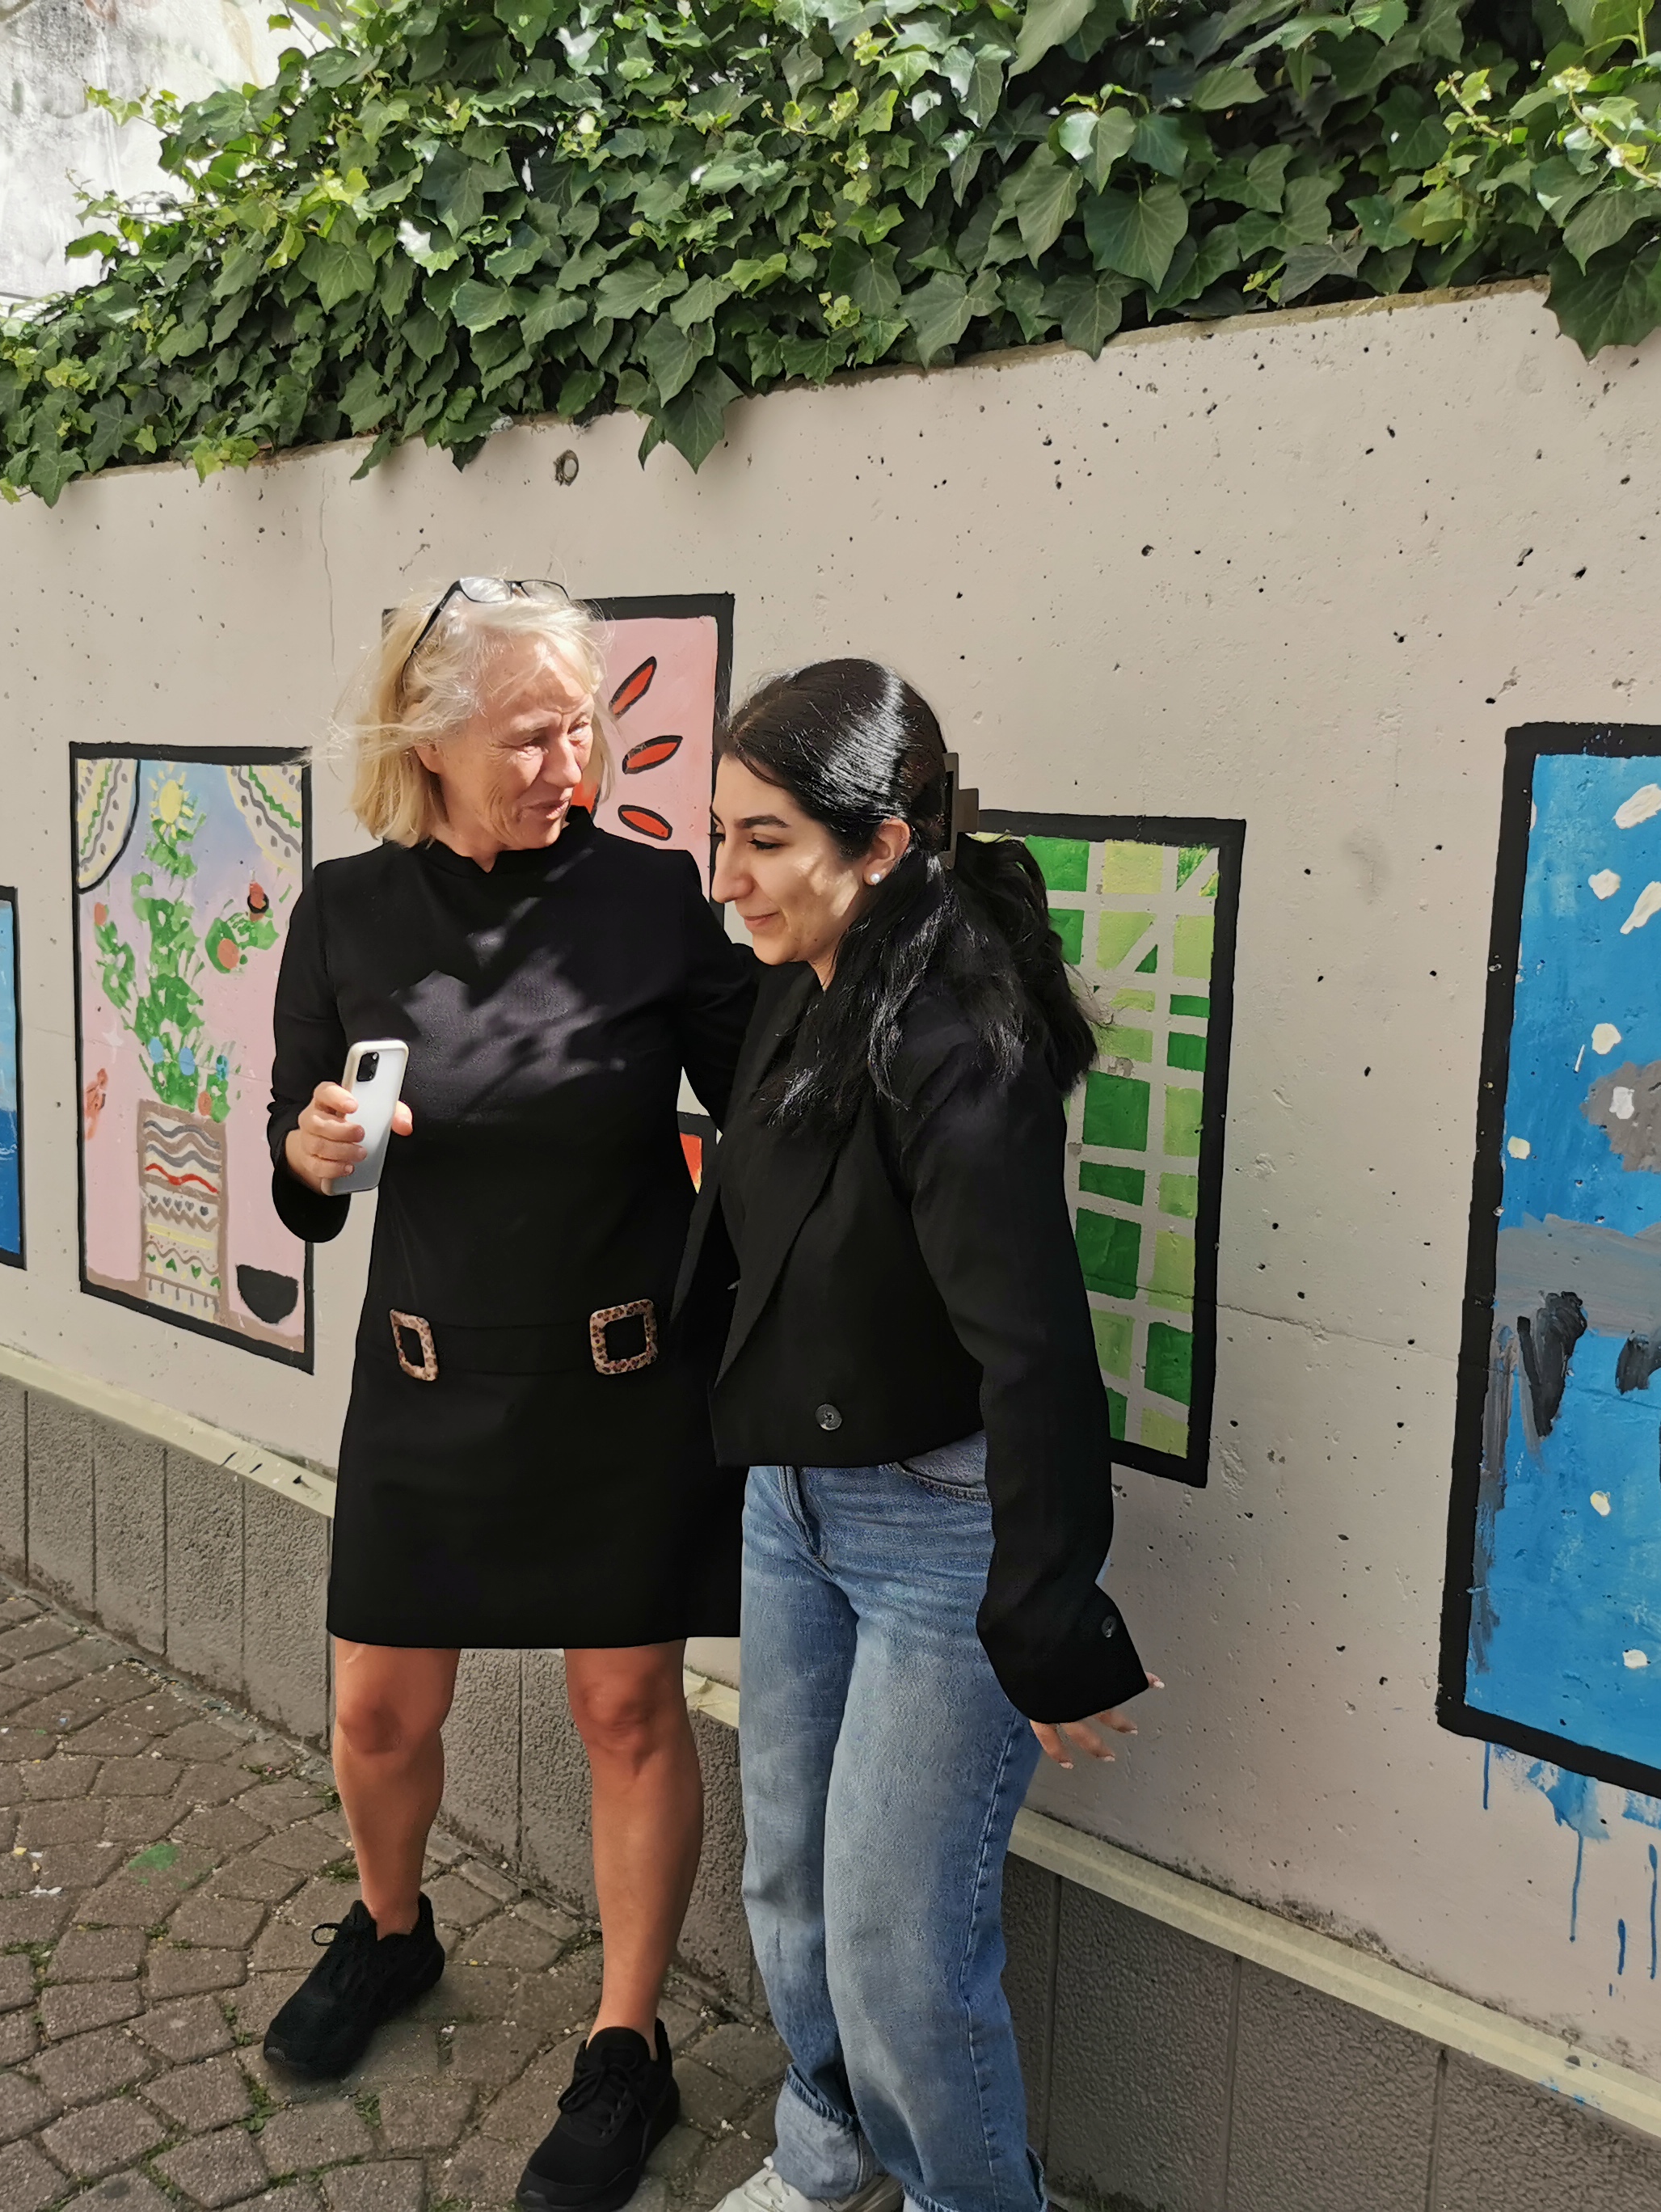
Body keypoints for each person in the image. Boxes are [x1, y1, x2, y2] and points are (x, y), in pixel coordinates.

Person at [262, 578, 756, 2212]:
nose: (571, 764)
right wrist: (310, 1156)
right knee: (376, 1716)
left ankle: (626, 2044)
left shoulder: (648, 897)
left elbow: (770, 1089)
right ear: (431, 742)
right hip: (425, 1382)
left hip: (617, 1389)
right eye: (531, 736)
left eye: (583, 728)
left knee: (626, 1712)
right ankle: (391, 1931)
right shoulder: (345, 911)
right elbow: (299, 1169)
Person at [680, 661, 1159, 2212]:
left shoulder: (955, 1040)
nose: (727, 877)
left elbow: (1036, 1347)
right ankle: (827, 2155)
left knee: (900, 1948)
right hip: (795, 1508)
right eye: (720, 833)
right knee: (790, 1883)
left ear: (882, 846)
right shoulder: (805, 975)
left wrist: (1048, 1606)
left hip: (937, 1534)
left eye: (764, 841)